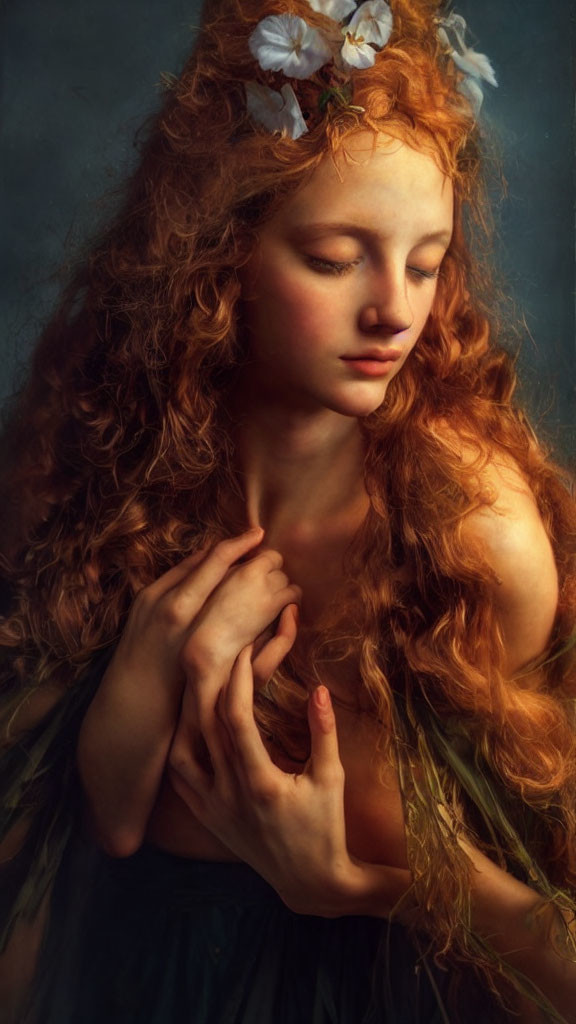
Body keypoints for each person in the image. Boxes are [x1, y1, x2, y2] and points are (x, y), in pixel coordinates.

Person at [0, 0, 575, 1021]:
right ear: (223, 261)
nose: (395, 309)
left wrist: (362, 888)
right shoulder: (124, 490)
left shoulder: (470, 540)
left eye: (427, 262)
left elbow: (540, 930)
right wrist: (131, 698)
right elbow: (94, 848)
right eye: (335, 257)